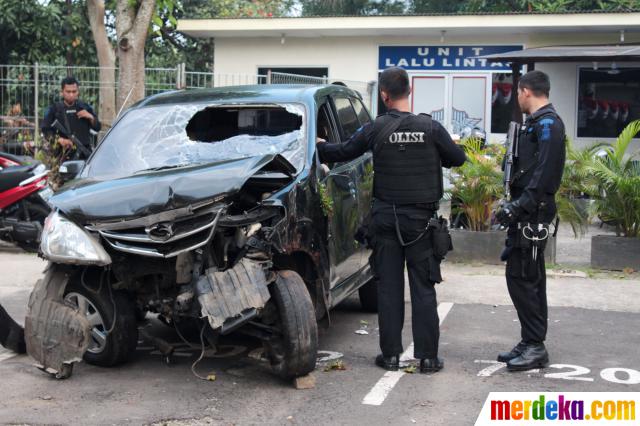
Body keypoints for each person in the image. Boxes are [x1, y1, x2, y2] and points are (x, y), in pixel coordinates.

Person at [316, 67, 466, 373]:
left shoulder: (376, 128)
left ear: (384, 96)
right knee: (424, 289)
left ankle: (392, 356)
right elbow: (458, 158)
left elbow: (342, 151)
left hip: (385, 221)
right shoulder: (431, 127)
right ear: (409, 92)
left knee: (389, 289)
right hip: (421, 223)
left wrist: (318, 144)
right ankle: (428, 358)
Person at [495, 70, 566, 371]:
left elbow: (545, 174)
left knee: (526, 277)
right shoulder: (535, 124)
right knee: (522, 276)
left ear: (525, 91)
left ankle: (536, 345)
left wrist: (520, 206)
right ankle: (530, 340)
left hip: (533, 212)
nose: (517, 98)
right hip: (525, 210)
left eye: (518, 93)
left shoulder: (548, 123)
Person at [41, 76, 101, 160]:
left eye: (74, 91)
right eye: (68, 92)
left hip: (84, 155)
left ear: (78, 92)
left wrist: (90, 117)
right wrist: (60, 140)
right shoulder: (54, 109)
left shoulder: (85, 107)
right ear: (62, 92)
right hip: (62, 155)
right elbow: (45, 129)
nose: (71, 94)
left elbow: (97, 127)